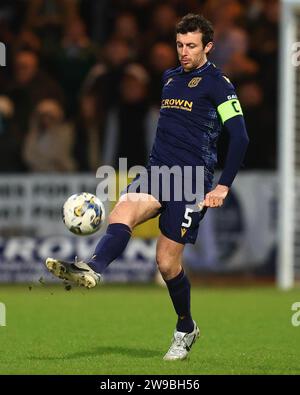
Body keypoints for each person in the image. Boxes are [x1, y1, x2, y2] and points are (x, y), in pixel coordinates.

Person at [45, 14, 249, 361]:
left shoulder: (220, 84)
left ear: (208, 47)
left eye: (191, 46)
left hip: (191, 180)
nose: (184, 52)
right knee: (124, 208)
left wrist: (223, 186)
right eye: (180, 45)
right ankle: (92, 268)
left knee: (166, 263)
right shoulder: (169, 78)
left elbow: (240, 137)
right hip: (158, 172)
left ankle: (186, 327)